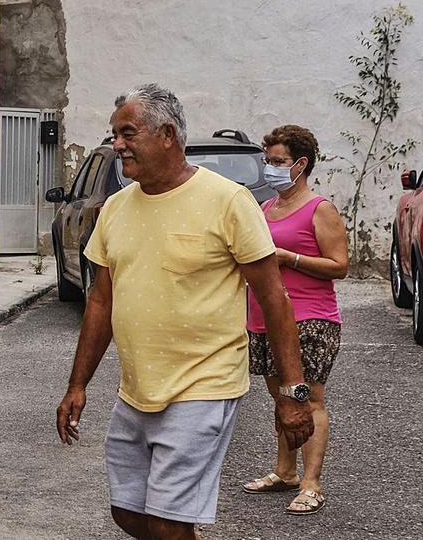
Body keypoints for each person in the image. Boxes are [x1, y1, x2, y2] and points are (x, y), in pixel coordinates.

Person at [54, 84, 315, 540]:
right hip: (137, 389)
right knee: (127, 512)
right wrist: (78, 385)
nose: (117, 145)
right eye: (114, 134)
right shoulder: (114, 209)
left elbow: (275, 298)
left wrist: (293, 393)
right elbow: (100, 300)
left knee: (169, 522)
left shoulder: (228, 201)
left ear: (168, 134)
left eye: (128, 133)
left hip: (205, 384)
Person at [241, 125, 348, 516]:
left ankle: (311, 483)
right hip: (264, 319)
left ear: (301, 164)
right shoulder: (266, 209)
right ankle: (285, 472)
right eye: (267, 161)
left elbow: (340, 265)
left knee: (308, 398)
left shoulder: (320, 208)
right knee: (281, 399)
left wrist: (291, 258)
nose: (270, 168)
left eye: (278, 162)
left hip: (310, 319)